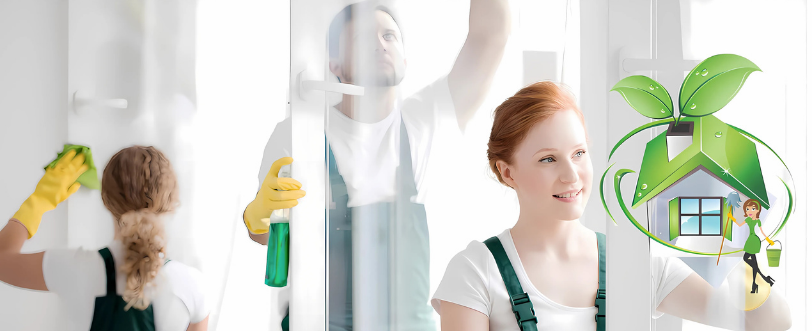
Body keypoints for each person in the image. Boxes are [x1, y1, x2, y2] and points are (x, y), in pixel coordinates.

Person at [432, 82, 792, 330]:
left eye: (579, 153)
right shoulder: (476, 271)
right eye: (547, 159)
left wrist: (732, 235)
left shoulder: (633, 266)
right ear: (506, 172)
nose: (571, 175)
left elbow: (770, 321)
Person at [242, 1, 511, 330]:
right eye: (361, 39)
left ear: (404, 58)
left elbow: (491, 35)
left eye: (389, 36)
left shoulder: (428, 118)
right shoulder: (300, 134)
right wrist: (258, 216)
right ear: (335, 65)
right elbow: (268, 236)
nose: (379, 44)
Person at [0, 146, 209, 331]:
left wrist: (42, 199)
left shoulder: (73, 267)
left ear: (106, 199)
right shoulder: (193, 286)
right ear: (171, 202)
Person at [734, 198, 776, 294]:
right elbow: (739, 225)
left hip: (754, 241)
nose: (749, 211)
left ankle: (761, 281)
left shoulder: (757, 220)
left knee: (747, 259)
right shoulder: (748, 219)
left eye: (752, 209)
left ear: (757, 210)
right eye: (747, 209)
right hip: (750, 240)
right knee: (753, 263)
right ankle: (758, 282)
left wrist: (769, 240)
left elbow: (761, 231)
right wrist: (731, 218)